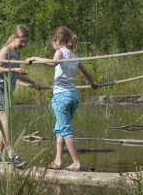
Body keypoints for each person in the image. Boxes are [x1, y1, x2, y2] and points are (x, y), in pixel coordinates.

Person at [24, 26, 98, 171]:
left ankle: (76, 163)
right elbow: (86, 72)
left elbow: (52, 63)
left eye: (53, 43)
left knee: (66, 130)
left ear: (57, 41)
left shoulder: (60, 52)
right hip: (73, 96)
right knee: (60, 128)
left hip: (61, 97)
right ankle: (58, 160)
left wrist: (34, 58)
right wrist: (92, 83)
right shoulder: (75, 55)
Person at [0, 25, 40, 167]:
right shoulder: (5, 50)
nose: (24, 45)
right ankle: (11, 153)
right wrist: (14, 69)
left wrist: (33, 82)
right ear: (14, 37)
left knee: (5, 123)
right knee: (4, 121)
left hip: (7, 92)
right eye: (22, 41)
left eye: (26, 42)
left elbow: (17, 75)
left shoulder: (17, 54)